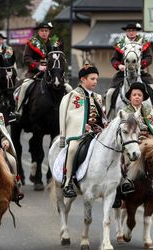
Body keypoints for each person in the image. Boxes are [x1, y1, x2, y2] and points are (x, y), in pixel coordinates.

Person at [112, 82, 153, 209]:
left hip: (147, 143)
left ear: (143, 97)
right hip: (130, 142)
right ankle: (118, 192)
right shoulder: (124, 112)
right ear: (130, 97)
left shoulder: (150, 111)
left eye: (139, 95)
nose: (137, 97)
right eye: (134, 95)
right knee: (122, 161)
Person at [106, 22, 153, 129]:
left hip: (140, 72)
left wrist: (141, 64)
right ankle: (107, 119)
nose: (131, 32)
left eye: (133, 30)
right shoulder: (121, 44)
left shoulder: (143, 42)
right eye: (129, 30)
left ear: (136, 31)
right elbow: (114, 60)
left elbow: (149, 58)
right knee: (109, 94)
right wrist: (119, 66)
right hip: (123, 74)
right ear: (126, 32)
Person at [59, 64, 107, 198]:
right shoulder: (74, 96)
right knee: (73, 148)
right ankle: (67, 181)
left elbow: (101, 116)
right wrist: (82, 126)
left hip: (97, 132)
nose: (95, 82)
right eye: (92, 79)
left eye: (96, 79)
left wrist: (104, 126)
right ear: (83, 80)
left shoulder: (97, 97)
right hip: (80, 132)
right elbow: (70, 115)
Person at [9, 21, 62, 121]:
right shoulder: (31, 43)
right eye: (42, 30)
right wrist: (38, 66)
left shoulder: (54, 44)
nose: (44, 32)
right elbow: (26, 58)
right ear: (38, 31)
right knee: (24, 86)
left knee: (67, 87)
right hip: (34, 74)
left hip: (51, 74)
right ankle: (18, 111)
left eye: (46, 30)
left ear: (49, 32)